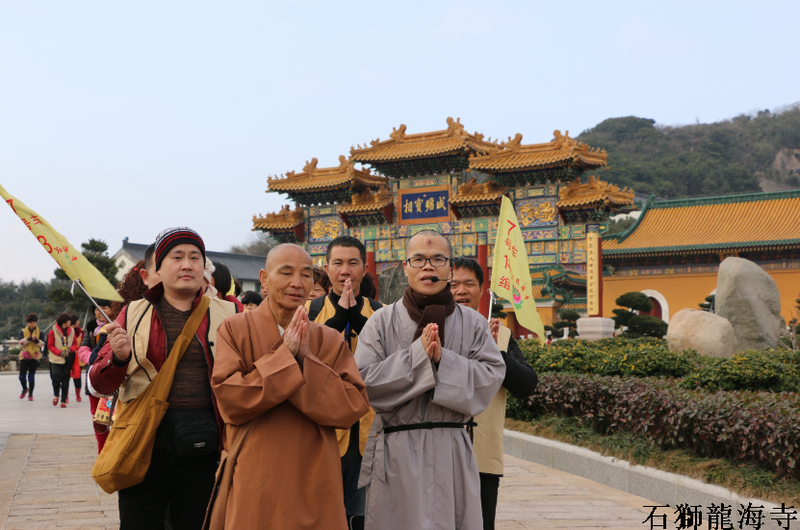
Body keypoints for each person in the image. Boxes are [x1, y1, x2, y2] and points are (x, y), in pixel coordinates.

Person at [211, 243, 370, 529]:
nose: (297, 283)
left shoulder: (328, 340)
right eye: (286, 273)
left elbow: (352, 406)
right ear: (264, 278)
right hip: (257, 472)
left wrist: (304, 360)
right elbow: (230, 401)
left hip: (315, 473)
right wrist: (287, 359)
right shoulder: (234, 329)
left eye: (306, 275)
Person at [354, 230, 506, 530]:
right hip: (396, 448)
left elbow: (490, 378)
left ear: (450, 268)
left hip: (452, 446)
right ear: (405, 266)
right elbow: (364, 382)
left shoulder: (473, 323)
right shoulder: (380, 322)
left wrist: (442, 361)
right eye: (419, 259)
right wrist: (417, 356)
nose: (428, 266)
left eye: (437, 259)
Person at [88, 227, 237, 530]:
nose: (187, 264)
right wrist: (117, 358)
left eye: (195, 257)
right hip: (144, 446)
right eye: (177, 257)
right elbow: (98, 384)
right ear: (157, 267)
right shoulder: (132, 314)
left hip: (207, 450)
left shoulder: (232, 313)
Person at [451, 257, 538, 530]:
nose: (461, 290)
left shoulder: (502, 335)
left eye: (469, 284)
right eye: (453, 284)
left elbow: (527, 385)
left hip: (483, 456)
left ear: (482, 290)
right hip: (441, 450)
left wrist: (495, 352)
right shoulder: (432, 330)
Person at [306, 236, 382, 530]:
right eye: (338, 263)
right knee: (324, 512)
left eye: (353, 263)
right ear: (326, 268)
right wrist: (338, 320)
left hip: (370, 429)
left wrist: (360, 322)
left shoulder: (382, 313)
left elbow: (393, 361)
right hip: (324, 429)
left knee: (366, 514)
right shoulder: (310, 311)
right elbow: (302, 359)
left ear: (364, 268)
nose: (345, 270)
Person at [48, 314, 75, 408]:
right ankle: (56, 394)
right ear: (64, 322)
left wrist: (70, 350)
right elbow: (50, 345)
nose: (70, 322)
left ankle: (63, 400)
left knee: (66, 379)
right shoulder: (52, 332)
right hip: (56, 359)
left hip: (67, 358)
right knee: (56, 378)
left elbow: (74, 343)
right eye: (69, 320)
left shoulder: (71, 331)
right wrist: (59, 353)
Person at [17, 313, 44, 401]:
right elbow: (20, 342)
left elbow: (43, 344)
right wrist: (29, 339)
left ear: (36, 322)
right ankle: (25, 388)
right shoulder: (22, 331)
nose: (32, 324)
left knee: (31, 376)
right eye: (30, 322)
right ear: (28, 323)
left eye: (34, 322)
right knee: (21, 376)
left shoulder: (40, 332)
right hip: (24, 356)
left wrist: (36, 340)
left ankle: (31, 394)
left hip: (35, 356)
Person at [67, 315, 84, 402]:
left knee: (77, 376)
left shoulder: (81, 331)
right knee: (66, 376)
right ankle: (65, 395)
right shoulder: (67, 331)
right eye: (77, 320)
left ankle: (78, 395)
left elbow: (84, 343)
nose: (79, 322)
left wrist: (80, 350)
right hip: (69, 355)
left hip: (78, 356)